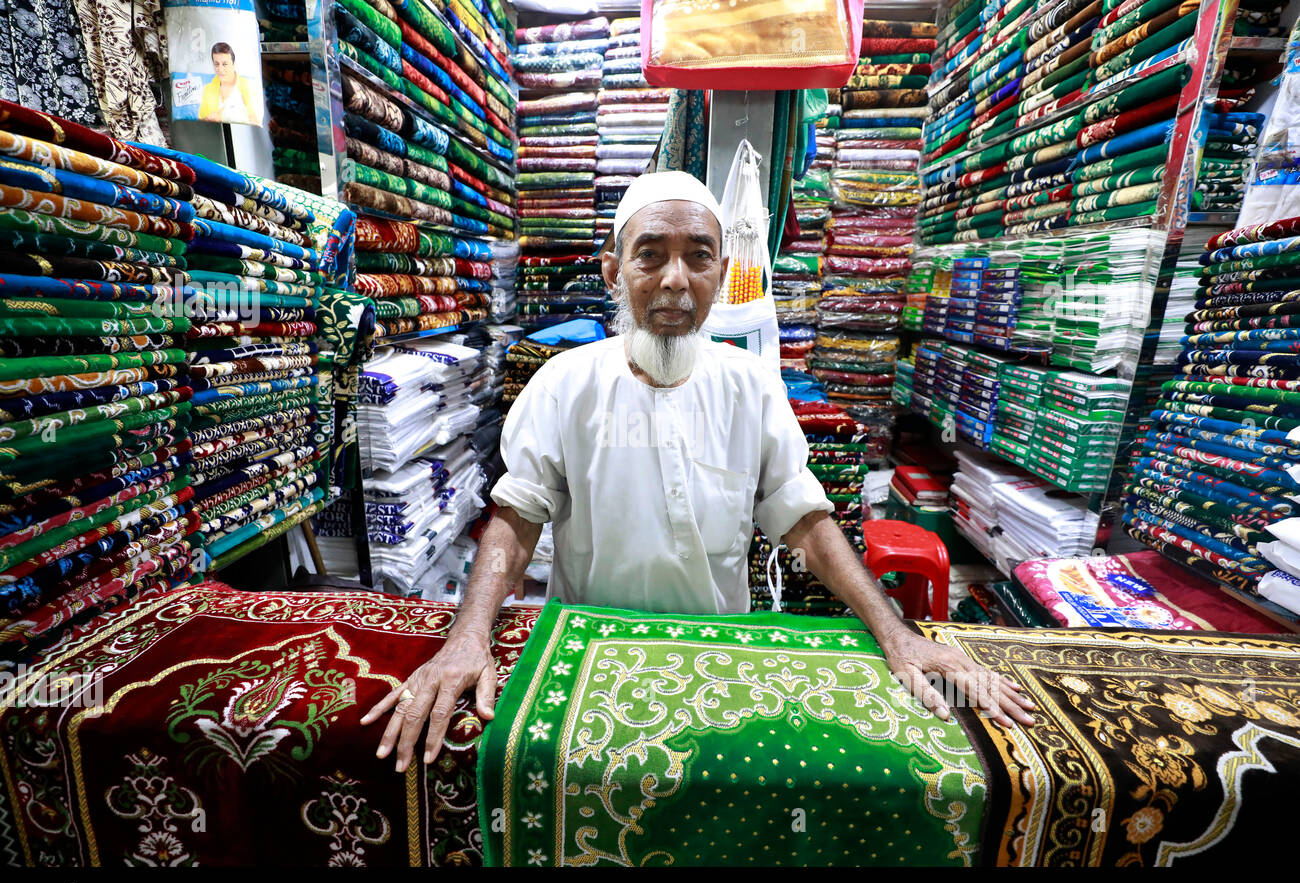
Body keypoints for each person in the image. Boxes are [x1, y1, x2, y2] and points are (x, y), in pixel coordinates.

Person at [363, 171, 1035, 772]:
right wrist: (467, 637)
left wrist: (897, 634)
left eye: (698, 257)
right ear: (613, 269)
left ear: (721, 271)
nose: (675, 280)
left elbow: (804, 521)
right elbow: (517, 521)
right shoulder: (563, 385)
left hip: (721, 655)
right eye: (650, 255)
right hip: (591, 652)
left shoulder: (753, 388)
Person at [197, 42, 262, 126]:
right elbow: (201, 120)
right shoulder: (208, 89)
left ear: (233, 64)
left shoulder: (246, 86)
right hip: (215, 133)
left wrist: (222, 115)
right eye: (217, 64)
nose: (220, 69)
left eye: (225, 64)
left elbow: (255, 119)